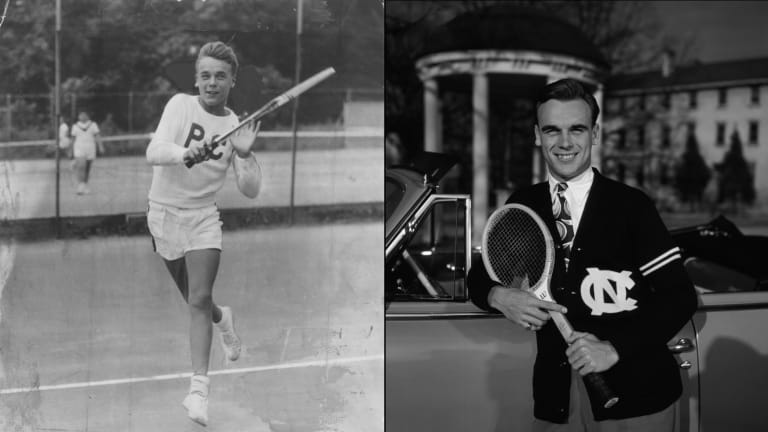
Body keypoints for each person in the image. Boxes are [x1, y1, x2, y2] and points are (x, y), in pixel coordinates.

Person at [468, 78, 697, 432]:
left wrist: (614, 348)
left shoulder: (631, 206)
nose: (563, 142)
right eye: (551, 130)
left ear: (595, 134)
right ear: (536, 135)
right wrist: (499, 296)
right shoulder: (524, 204)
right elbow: (480, 276)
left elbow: (678, 296)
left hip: (636, 394)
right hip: (557, 398)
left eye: (576, 129)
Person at [145, 41, 263, 426]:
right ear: (197, 80)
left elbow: (250, 189)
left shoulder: (236, 127)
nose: (212, 83)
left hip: (203, 219)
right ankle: (223, 320)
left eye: (221, 77)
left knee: (198, 298)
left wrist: (243, 154)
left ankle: (198, 392)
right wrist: (184, 155)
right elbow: (154, 150)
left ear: (232, 81)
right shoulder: (180, 105)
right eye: (206, 76)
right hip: (163, 215)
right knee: (197, 300)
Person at [70, 110, 104, 195]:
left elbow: (97, 136)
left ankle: (85, 185)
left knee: (87, 169)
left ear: (87, 116)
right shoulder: (75, 126)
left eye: (83, 115)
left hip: (90, 148)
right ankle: (80, 186)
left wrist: (100, 146)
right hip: (79, 148)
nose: (82, 116)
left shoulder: (93, 125)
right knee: (81, 166)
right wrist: (70, 150)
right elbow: (73, 139)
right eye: (80, 115)